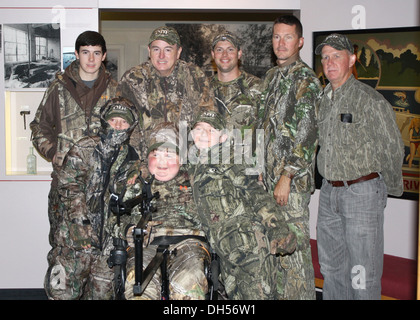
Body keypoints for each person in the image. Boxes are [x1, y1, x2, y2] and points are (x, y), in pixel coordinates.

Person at [315, 33, 404, 300]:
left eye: (337, 56)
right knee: (332, 270)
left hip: (361, 194)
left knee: (361, 274)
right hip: (329, 195)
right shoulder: (323, 99)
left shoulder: (370, 100)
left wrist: (384, 190)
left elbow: (393, 148)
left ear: (352, 60)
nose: (329, 63)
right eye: (325, 57)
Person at [189, 110, 297, 300]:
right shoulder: (195, 165)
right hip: (226, 253)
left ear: (222, 137)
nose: (204, 134)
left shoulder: (232, 160)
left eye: (211, 130)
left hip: (249, 250)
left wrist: (278, 230)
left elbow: (256, 195)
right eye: (199, 129)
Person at [44, 97, 141, 299]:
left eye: (123, 122)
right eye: (114, 120)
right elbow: (69, 185)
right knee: (63, 292)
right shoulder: (85, 147)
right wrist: (80, 223)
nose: (118, 126)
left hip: (107, 246)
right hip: (75, 239)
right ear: (105, 121)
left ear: (131, 126)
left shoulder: (132, 158)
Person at [30, 31, 118, 252]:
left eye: (96, 53)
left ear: (104, 56)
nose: (91, 59)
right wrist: (52, 152)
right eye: (85, 53)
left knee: (101, 252)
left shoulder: (115, 90)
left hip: (102, 187)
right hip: (66, 187)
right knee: (63, 251)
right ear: (77, 55)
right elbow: (38, 127)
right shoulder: (59, 88)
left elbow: (125, 134)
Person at [258, 15, 322, 300]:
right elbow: (263, 128)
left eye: (287, 37)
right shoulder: (271, 77)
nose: (281, 43)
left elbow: (308, 135)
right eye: (276, 37)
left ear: (300, 41)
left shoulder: (305, 79)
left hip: (290, 185)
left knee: (295, 259)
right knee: (274, 252)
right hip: (267, 181)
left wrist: (286, 176)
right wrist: (259, 167)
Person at [123, 122, 210, 300]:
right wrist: (129, 230)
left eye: (169, 155)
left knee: (188, 284)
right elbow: (116, 216)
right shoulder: (136, 179)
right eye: (156, 155)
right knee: (138, 285)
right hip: (146, 245)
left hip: (189, 243)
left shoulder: (197, 176)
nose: (162, 162)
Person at [118, 26, 216, 159]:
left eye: (168, 49)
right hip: (143, 163)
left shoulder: (195, 77)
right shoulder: (133, 79)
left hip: (185, 163)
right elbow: (120, 124)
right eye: (156, 49)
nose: (161, 56)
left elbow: (208, 121)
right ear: (149, 51)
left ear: (179, 52)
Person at [209, 30, 261, 155]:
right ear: (213, 54)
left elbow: (267, 131)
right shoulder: (203, 89)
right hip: (210, 168)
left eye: (230, 49)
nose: (224, 55)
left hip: (246, 169)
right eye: (219, 50)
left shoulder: (257, 87)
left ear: (239, 54)